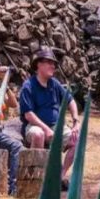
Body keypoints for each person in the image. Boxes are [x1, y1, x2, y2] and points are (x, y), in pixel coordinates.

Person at [19, 48, 80, 191]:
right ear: (38, 65)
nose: (53, 66)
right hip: (34, 126)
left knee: (77, 139)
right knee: (38, 134)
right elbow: (28, 115)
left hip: (56, 126)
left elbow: (70, 101)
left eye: (54, 64)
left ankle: (59, 177)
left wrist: (76, 122)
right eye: (49, 63)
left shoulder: (54, 84)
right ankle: (39, 177)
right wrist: (46, 129)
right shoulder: (28, 86)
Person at [0, 67, 23, 196]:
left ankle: (12, 183)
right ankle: (13, 186)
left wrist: (5, 84)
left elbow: (13, 104)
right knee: (16, 146)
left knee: (16, 144)